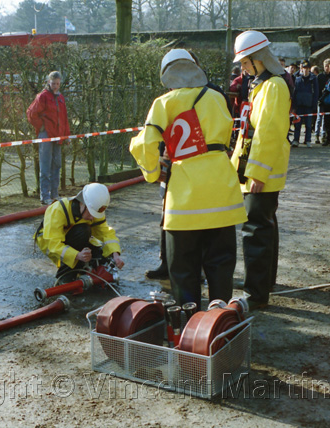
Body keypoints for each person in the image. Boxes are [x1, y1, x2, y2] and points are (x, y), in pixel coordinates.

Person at [129, 49, 247, 309]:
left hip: (184, 197)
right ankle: (221, 323)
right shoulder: (216, 97)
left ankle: (189, 327)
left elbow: (145, 144)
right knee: (220, 265)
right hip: (222, 191)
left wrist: (151, 173)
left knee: (182, 268)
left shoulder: (164, 102)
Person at [229, 31, 291, 310]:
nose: (242, 68)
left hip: (262, 173)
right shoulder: (265, 84)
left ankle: (256, 293)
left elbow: (268, 133)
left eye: (245, 62)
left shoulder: (273, 86)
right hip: (260, 170)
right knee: (265, 226)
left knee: (255, 230)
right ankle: (264, 282)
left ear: (258, 59)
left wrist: (257, 173)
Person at [34, 183, 124, 283]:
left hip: (74, 236)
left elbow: (106, 233)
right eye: (90, 213)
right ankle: (64, 277)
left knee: (102, 256)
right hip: (50, 243)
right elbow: (53, 243)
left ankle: (85, 272)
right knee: (83, 231)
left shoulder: (94, 209)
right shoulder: (58, 210)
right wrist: (77, 255)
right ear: (82, 203)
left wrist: (115, 254)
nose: (92, 218)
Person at [27, 71, 71, 205]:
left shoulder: (61, 98)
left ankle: (54, 194)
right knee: (45, 165)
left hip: (58, 135)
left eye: (58, 84)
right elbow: (31, 113)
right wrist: (42, 127)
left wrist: (66, 136)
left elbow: (64, 118)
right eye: (53, 83)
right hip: (46, 134)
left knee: (56, 165)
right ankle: (44, 195)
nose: (56, 86)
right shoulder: (42, 97)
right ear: (48, 82)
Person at [291, 60, 318, 148]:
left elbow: (316, 93)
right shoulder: (297, 79)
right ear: (301, 69)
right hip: (299, 105)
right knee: (297, 124)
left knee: (308, 124)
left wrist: (314, 105)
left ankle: (308, 140)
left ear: (309, 69)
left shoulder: (313, 79)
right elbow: (294, 93)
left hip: (309, 105)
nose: (305, 70)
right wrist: (294, 105)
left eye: (307, 69)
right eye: (303, 69)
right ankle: (296, 140)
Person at [315, 58, 330, 144]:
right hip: (320, 100)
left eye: (329, 66)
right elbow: (317, 89)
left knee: (326, 118)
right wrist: (318, 99)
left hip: (328, 101)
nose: (327, 68)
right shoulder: (320, 77)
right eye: (326, 66)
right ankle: (316, 134)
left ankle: (323, 134)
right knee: (319, 118)